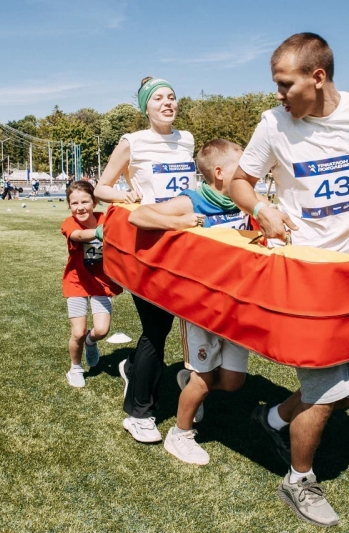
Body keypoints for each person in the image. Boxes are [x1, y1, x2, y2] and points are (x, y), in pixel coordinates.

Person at [229, 33, 349, 527]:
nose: (279, 94)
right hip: (306, 277)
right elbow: (240, 180)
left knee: (345, 391)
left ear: (318, 77)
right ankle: (298, 480)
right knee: (327, 392)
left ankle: (270, 419)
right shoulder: (274, 124)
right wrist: (261, 208)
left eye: (286, 84)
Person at [128, 139, 266, 465]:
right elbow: (139, 216)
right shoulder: (192, 200)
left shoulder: (245, 199)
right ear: (219, 172)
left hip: (236, 305)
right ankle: (180, 434)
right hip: (201, 309)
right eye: (242, 166)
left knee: (233, 382)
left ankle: (186, 383)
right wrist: (178, 222)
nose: (251, 173)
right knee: (203, 381)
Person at [94, 76, 196, 443]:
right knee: (156, 327)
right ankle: (139, 413)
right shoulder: (132, 142)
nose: (167, 103)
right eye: (158, 99)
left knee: (182, 321)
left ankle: (133, 367)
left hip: (185, 244)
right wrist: (124, 196)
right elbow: (101, 187)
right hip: (147, 246)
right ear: (145, 108)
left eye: (171, 97)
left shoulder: (187, 140)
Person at [61, 181, 126, 388]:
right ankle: (75, 368)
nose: (80, 207)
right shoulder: (69, 223)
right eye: (74, 203)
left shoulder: (105, 219)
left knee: (102, 330)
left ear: (94, 202)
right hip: (77, 282)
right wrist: (99, 232)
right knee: (78, 332)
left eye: (85, 202)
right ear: (69, 206)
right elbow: (79, 236)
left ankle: (90, 342)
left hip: (101, 282)